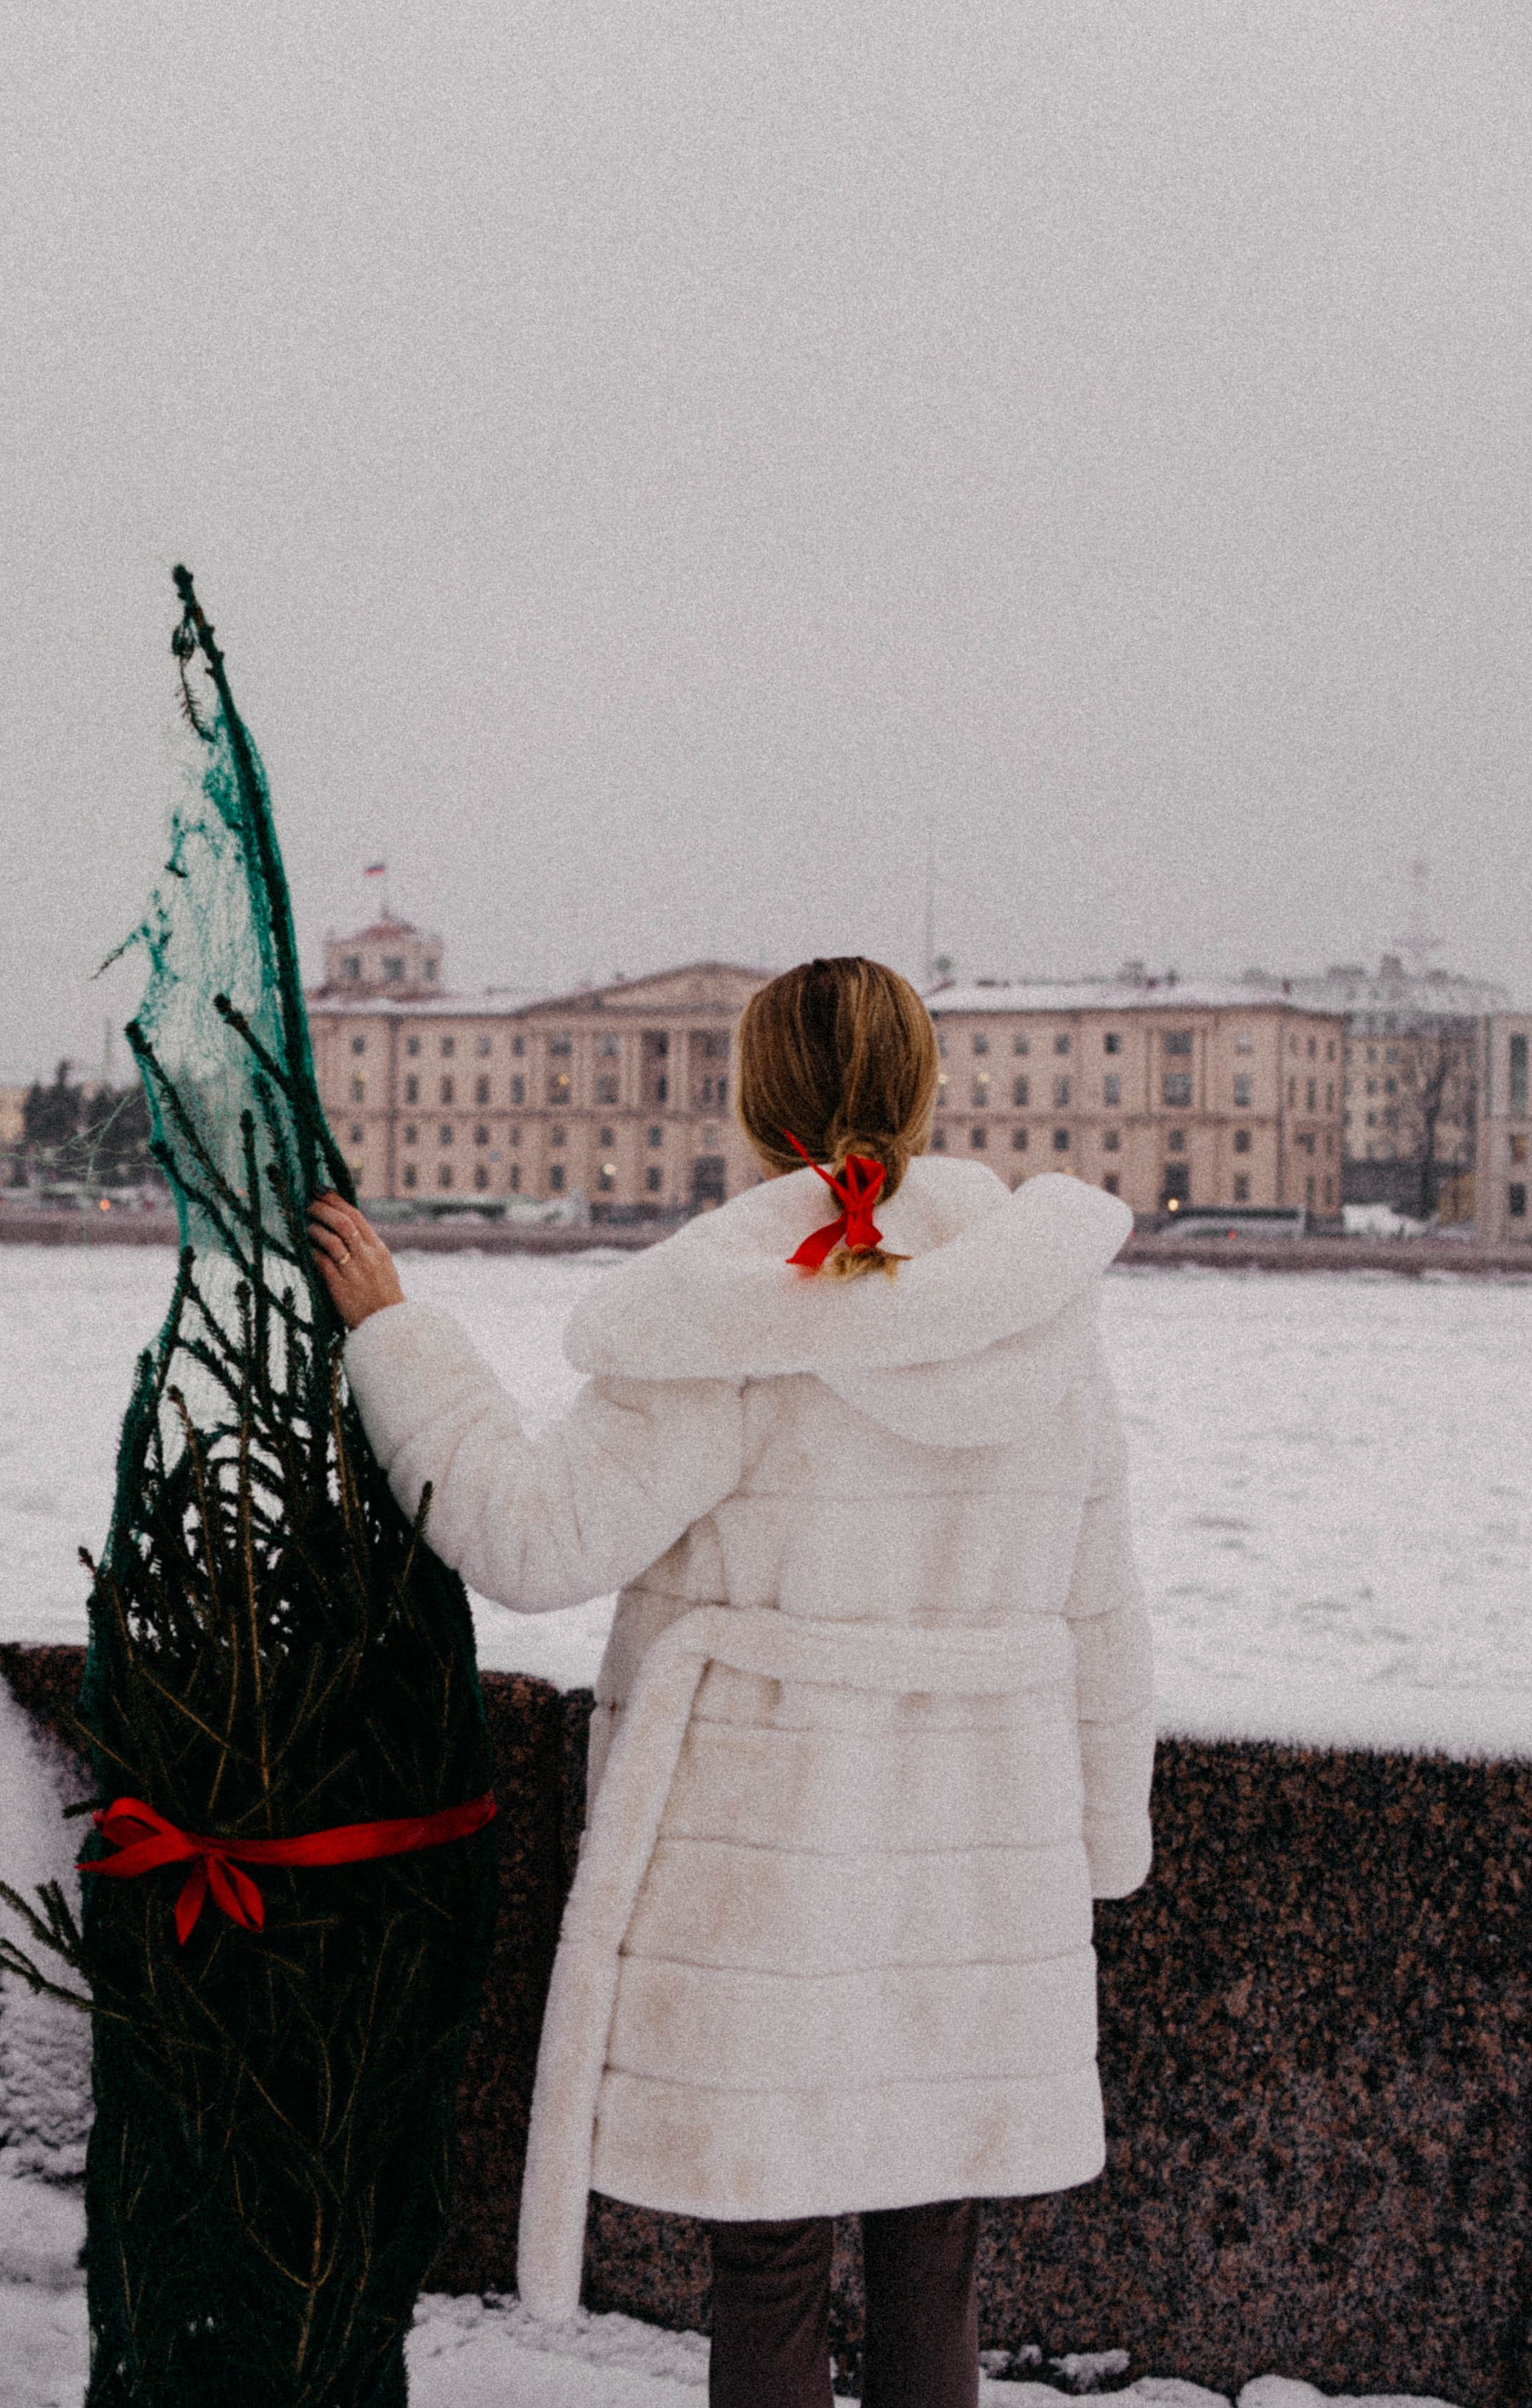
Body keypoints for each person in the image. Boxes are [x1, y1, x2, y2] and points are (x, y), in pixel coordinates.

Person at [309, 956, 1154, 2408]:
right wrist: (1095, 1843)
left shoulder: (726, 1323)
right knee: (931, 2257)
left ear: (749, 1108)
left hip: (771, 1864)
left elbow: (531, 1531)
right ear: (924, 1089)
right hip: (977, 1868)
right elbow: (1102, 1615)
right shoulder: (1044, 1321)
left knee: (765, 2269)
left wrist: (396, 1334)